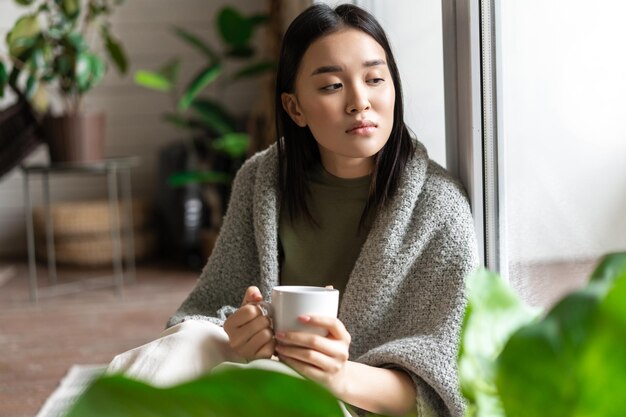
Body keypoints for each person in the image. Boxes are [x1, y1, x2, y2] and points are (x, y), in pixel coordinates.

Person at [111, 4, 478, 417]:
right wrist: (240, 334)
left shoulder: (438, 207)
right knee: (182, 344)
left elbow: (442, 386)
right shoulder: (262, 181)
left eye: (375, 79)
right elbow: (210, 309)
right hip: (264, 379)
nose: (360, 102)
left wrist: (334, 375)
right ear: (294, 108)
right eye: (332, 86)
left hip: (347, 405)